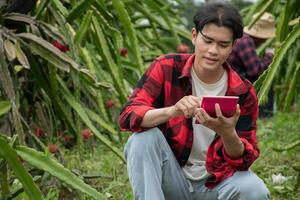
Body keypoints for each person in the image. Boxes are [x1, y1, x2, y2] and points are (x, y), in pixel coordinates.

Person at [119, 2, 269, 200]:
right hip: (171, 179)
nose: (213, 50)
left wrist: (227, 133)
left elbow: (243, 160)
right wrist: (172, 111)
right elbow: (129, 115)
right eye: (207, 41)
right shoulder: (166, 68)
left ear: (233, 46)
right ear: (194, 35)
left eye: (223, 44)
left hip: (214, 183)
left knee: (254, 190)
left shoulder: (243, 91)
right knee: (142, 140)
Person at [227, 12, 276, 117]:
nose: (265, 40)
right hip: (235, 82)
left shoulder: (240, 37)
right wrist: (269, 55)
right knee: (266, 79)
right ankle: (265, 116)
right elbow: (255, 70)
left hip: (232, 80)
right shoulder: (246, 41)